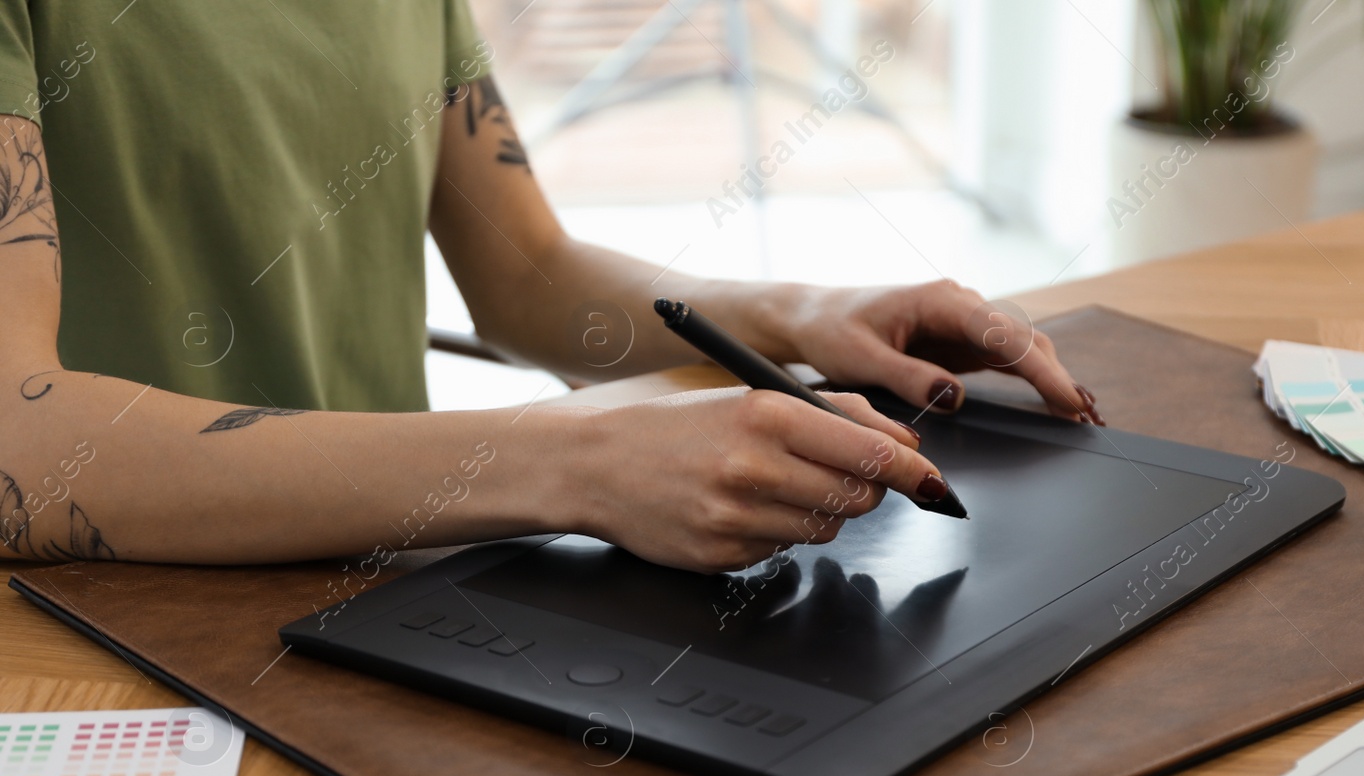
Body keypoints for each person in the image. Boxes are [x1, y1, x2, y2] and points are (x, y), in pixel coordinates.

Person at [0, 2, 1098, 575]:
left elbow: (526, 275)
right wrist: (576, 457)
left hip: (390, 588)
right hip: (117, 632)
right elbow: (20, 443)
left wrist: (799, 315)